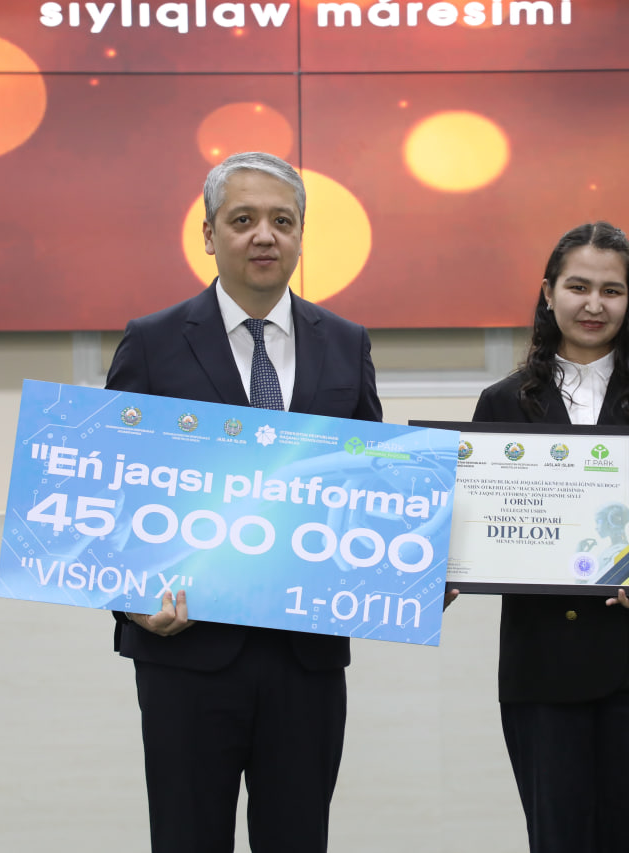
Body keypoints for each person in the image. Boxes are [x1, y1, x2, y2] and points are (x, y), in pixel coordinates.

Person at [104, 151, 382, 853]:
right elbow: (111, 485)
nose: (265, 235)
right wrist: (132, 598)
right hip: (186, 649)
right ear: (208, 233)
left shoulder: (346, 345)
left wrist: (411, 570)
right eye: (243, 219)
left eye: (282, 221)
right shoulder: (153, 341)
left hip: (306, 656)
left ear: (301, 235)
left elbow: (371, 488)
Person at [470, 221, 629, 853]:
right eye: (578, 287)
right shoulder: (502, 401)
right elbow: (474, 519)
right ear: (548, 292)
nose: (594, 304)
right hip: (542, 669)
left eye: (611, 291)